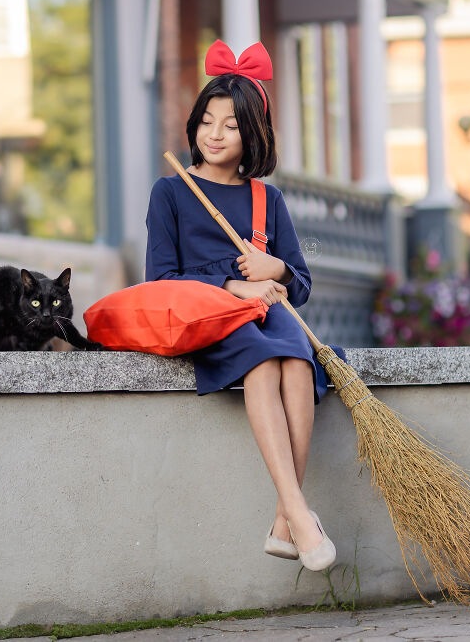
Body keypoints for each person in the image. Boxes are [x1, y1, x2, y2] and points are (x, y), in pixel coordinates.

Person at [144, 40, 346, 571]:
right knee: (262, 365)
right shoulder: (171, 192)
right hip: (210, 318)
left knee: (298, 365)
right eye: (207, 121)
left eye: (230, 126)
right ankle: (299, 517)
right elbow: (160, 279)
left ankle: (285, 522)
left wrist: (273, 268)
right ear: (193, 126)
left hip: (271, 318)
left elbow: (299, 282)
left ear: (252, 133)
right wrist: (235, 285)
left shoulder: (266, 199)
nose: (214, 134)